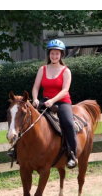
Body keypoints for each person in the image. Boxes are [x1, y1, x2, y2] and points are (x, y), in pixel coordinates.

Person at [32, 39, 77, 169]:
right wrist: (35, 99)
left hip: (62, 102)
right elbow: (35, 87)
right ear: (49, 54)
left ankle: (72, 155)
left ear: (61, 55)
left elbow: (65, 90)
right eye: (52, 53)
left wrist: (52, 101)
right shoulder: (42, 69)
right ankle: (17, 151)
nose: (54, 56)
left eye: (57, 54)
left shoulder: (66, 71)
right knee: (25, 118)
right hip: (45, 101)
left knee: (68, 124)